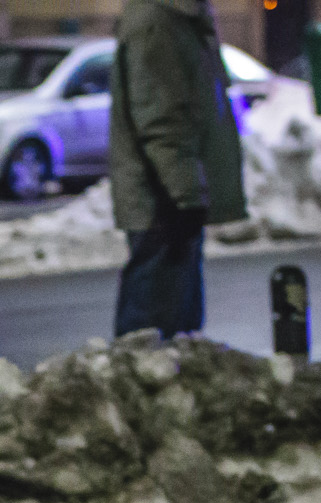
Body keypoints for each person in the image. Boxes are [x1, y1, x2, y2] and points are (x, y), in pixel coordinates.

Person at [108, 0, 247, 339]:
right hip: (162, 202)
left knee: (174, 338)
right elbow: (161, 120)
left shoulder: (181, 20)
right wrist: (184, 195)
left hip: (168, 198)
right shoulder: (159, 23)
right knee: (154, 343)